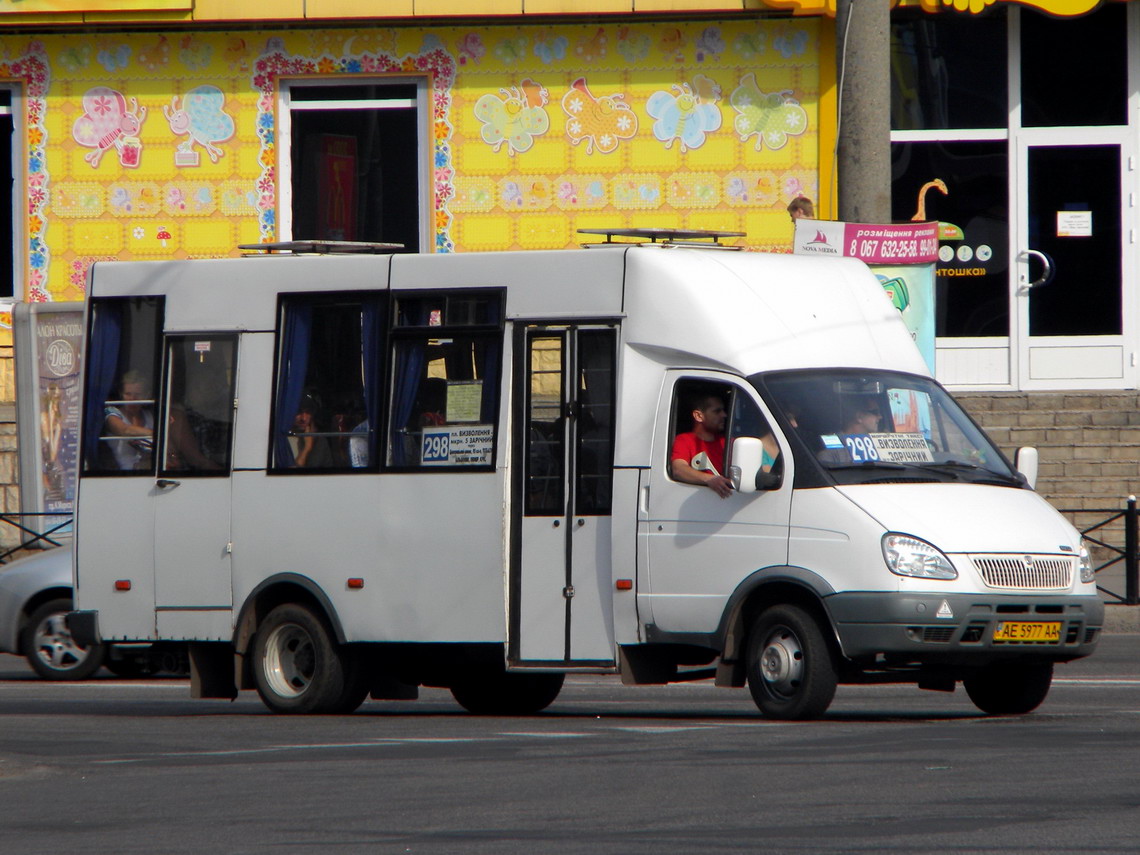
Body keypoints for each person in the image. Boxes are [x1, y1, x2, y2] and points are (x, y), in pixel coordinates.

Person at [671, 392, 734, 498]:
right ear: (699, 416)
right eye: (717, 411)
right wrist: (710, 479)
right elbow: (678, 469)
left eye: (723, 410)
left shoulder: (729, 442)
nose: (724, 415)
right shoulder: (684, 440)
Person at [103, 370, 155, 470]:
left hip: (147, 471)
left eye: (138, 394)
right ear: (121, 394)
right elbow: (124, 430)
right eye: (128, 394)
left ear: (146, 395)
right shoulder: (112, 412)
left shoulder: (149, 416)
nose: (132, 399)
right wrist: (156, 434)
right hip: (121, 474)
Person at [289, 400, 333, 468]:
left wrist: (309, 446)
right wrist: (306, 448)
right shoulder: (282, 439)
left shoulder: (319, 441)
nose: (303, 418)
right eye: (299, 412)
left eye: (308, 412)